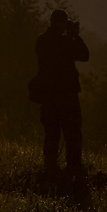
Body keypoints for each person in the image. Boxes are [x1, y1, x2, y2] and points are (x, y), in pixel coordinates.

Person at [35, 9, 89, 174]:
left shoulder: (41, 40)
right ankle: (73, 166)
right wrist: (75, 36)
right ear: (62, 23)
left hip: (48, 93)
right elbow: (84, 55)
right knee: (72, 132)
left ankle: (50, 166)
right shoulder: (66, 42)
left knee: (51, 132)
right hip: (67, 93)